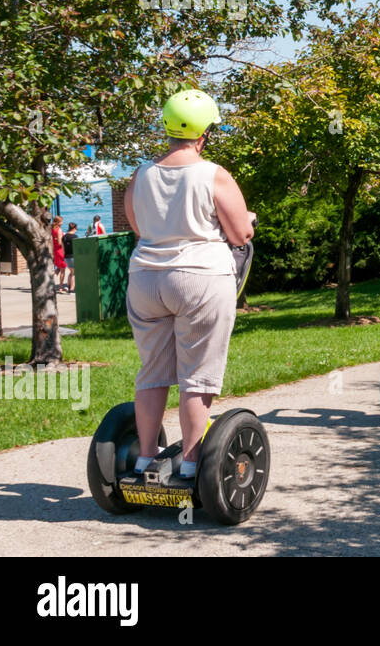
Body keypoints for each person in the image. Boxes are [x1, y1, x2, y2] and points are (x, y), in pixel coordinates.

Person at [123, 89, 254, 480]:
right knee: (196, 375)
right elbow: (239, 235)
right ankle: (194, 464)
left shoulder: (141, 173)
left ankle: (146, 458)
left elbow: (137, 225)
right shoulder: (213, 174)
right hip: (199, 279)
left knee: (152, 372)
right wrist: (246, 218)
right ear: (204, 134)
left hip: (146, 279)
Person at [50, 216, 67, 292]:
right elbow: (60, 243)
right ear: (58, 222)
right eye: (61, 221)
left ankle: (49, 281)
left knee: (58, 268)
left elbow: (54, 240)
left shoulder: (52, 229)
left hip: (55, 250)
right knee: (63, 270)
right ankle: (60, 287)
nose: (62, 223)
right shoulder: (59, 230)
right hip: (60, 251)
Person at [62, 223, 78, 292]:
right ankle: (71, 289)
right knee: (73, 273)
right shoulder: (75, 237)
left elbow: (63, 248)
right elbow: (77, 247)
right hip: (72, 256)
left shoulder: (64, 237)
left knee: (71, 272)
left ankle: (68, 286)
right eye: (76, 229)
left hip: (66, 257)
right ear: (74, 228)